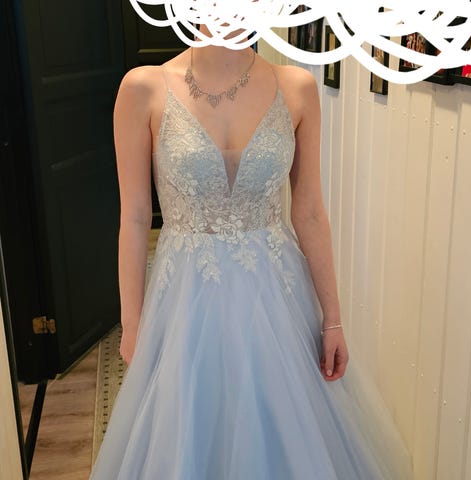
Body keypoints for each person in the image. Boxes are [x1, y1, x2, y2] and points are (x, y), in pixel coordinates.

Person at [89, 22, 413, 480]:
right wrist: (133, 322)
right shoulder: (143, 88)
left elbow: (309, 212)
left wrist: (333, 319)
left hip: (277, 301)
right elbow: (136, 217)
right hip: (182, 303)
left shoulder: (297, 88)